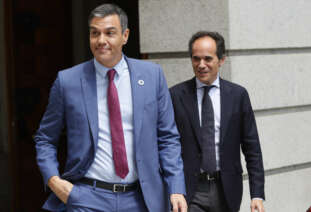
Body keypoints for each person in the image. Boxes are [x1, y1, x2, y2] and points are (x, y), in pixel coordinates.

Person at [34, 3, 187, 212]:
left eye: (109, 33)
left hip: (141, 199)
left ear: (125, 36)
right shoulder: (67, 81)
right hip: (86, 198)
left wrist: (176, 188)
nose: (101, 40)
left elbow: (168, 138)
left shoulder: (152, 76)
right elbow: (45, 138)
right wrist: (54, 180)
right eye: (94, 33)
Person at [169, 31, 265, 212]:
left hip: (227, 189)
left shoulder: (238, 96)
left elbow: (252, 148)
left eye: (208, 59)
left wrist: (257, 194)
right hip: (190, 190)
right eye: (196, 59)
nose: (201, 65)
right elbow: (167, 145)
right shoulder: (175, 96)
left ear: (221, 60)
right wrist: (174, 189)